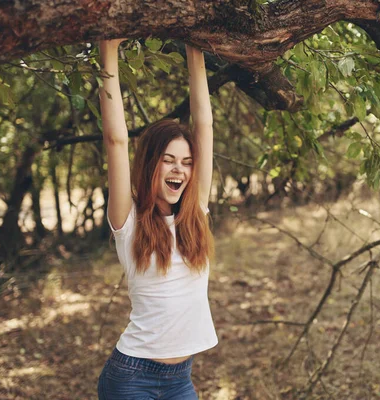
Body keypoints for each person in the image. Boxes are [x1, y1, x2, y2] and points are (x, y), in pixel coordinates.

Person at [96, 38, 217, 400]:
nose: (178, 169)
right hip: (132, 377)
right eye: (168, 159)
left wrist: (195, 50)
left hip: (181, 379)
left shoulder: (195, 216)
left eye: (186, 162)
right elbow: (116, 140)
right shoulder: (128, 219)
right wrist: (109, 51)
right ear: (151, 163)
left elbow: (205, 128)